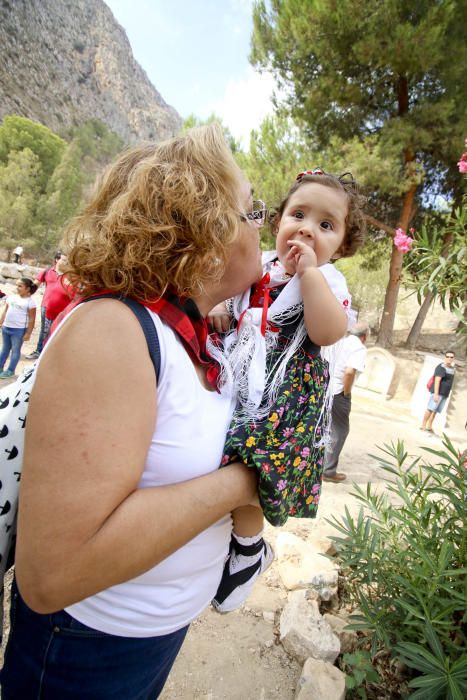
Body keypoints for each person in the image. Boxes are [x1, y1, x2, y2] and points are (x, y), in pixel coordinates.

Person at [0, 124, 263, 699]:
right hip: (86, 649)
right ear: (209, 232)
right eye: (254, 210)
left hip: (151, 635)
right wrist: (243, 483)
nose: (264, 225)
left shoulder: (191, 336)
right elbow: (53, 574)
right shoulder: (112, 332)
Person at [209, 169, 367, 612]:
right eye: (298, 214)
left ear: (343, 246)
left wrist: (311, 275)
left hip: (285, 397)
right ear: (277, 222)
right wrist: (221, 301)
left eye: (326, 225)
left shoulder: (329, 281)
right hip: (239, 374)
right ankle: (224, 532)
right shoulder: (256, 264)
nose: (307, 229)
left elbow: (326, 331)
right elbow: (218, 284)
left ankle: (248, 547)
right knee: (215, 446)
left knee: (252, 458)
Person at [321, 322, 369, 483]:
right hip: (338, 392)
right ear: (364, 337)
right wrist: (346, 392)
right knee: (339, 431)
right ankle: (328, 471)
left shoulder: (340, 341)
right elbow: (349, 372)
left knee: (324, 426)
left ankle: (316, 463)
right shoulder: (359, 348)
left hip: (325, 387)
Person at [26, 251, 71, 359]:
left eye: (67, 261)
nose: (66, 262)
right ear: (57, 260)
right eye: (64, 260)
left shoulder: (70, 275)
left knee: (59, 331)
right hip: (46, 306)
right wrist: (24, 297)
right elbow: (34, 286)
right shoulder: (47, 271)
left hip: (64, 309)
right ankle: (39, 351)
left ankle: (52, 354)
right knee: (45, 330)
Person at [0, 277, 37, 378]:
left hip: (18, 330)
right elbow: (5, 311)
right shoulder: (11, 298)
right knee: (4, 349)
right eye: (17, 285)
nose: (17, 288)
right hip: (6, 327)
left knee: (15, 351)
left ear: (28, 289)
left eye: (20, 286)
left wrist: (28, 333)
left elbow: (32, 319)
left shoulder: (30, 302)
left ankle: (10, 370)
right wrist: (1, 322)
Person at [421, 351, 456, 433]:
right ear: (445, 357)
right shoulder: (441, 367)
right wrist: (436, 394)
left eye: (451, 357)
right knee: (430, 409)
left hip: (444, 393)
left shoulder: (452, 369)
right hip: (438, 393)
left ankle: (429, 426)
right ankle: (423, 425)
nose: (449, 358)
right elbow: (437, 380)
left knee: (435, 411)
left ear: (453, 358)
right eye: (447, 356)